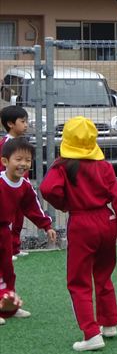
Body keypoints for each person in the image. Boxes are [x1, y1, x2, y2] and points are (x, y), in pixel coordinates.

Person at [40, 117, 117, 352]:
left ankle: (91, 333)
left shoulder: (62, 166)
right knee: (103, 274)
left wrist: (64, 204)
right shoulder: (104, 166)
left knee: (78, 281)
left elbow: (47, 189)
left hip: (81, 223)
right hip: (107, 220)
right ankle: (108, 323)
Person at [0, 138, 56, 324]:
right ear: (5, 161)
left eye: (28, 160)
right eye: (18, 159)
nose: (23, 164)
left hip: (4, 234)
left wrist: (46, 225)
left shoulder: (25, 186)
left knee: (8, 270)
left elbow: (33, 208)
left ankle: (10, 306)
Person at [0, 105, 30, 261]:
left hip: (21, 189)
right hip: (8, 191)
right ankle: (6, 250)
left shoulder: (21, 143)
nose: (26, 125)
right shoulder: (5, 144)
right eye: (22, 121)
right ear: (10, 124)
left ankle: (15, 248)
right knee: (7, 220)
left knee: (19, 218)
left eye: (26, 121)